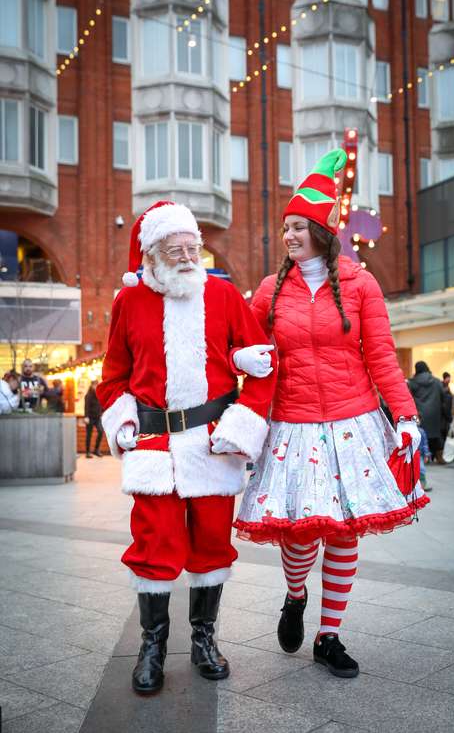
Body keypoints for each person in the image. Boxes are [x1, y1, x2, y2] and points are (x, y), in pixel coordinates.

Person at [233, 149, 428, 679]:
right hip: (291, 425)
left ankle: (329, 635)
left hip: (354, 421)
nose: (289, 235)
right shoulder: (271, 291)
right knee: (299, 532)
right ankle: (295, 595)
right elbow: (247, 350)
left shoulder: (362, 284)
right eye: (286, 227)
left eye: (298, 226)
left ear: (322, 230)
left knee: (344, 531)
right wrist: (238, 363)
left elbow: (382, 355)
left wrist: (406, 417)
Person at [97, 201, 276, 695]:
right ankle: (151, 645)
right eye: (173, 248)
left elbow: (264, 365)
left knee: (213, 546)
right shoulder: (127, 303)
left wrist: (241, 427)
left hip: (214, 444)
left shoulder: (222, 296)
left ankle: (203, 641)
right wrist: (123, 422)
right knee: (154, 547)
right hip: (154, 446)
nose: (185, 256)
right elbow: (112, 379)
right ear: (150, 254)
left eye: (191, 247)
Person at [408, 362, 445, 463]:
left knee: (421, 434)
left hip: (420, 413)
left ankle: (424, 457)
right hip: (435, 413)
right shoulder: (437, 381)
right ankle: (439, 457)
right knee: (437, 435)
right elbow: (443, 396)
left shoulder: (413, 382)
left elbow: (409, 397)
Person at [84, 380, 103, 458]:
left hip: (98, 417)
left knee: (101, 432)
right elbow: (86, 407)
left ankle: (96, 450)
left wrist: (102, 412)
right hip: (90, 417)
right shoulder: (88, 395)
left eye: (97, 385)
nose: (96, 387)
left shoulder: (99, 394)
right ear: (91, 386)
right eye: (94, 385)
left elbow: (101, 405)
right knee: (89, 435)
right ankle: (88, 452)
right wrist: (86, 417)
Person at [418, 422, 432, 492]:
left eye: (418, 419)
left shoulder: (421, 431)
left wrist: (426, 454)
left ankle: (422, 486)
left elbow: (425, 444)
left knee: (421, 469)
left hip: (419, 454)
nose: (416, 421)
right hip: (410, 455)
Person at [440, 372, 453, 446]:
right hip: (444, 413)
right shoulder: (443, 386)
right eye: (448, 378)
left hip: (445, 413)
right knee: (444, 431)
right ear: (445, 378)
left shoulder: (446, 386)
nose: (449, 379)